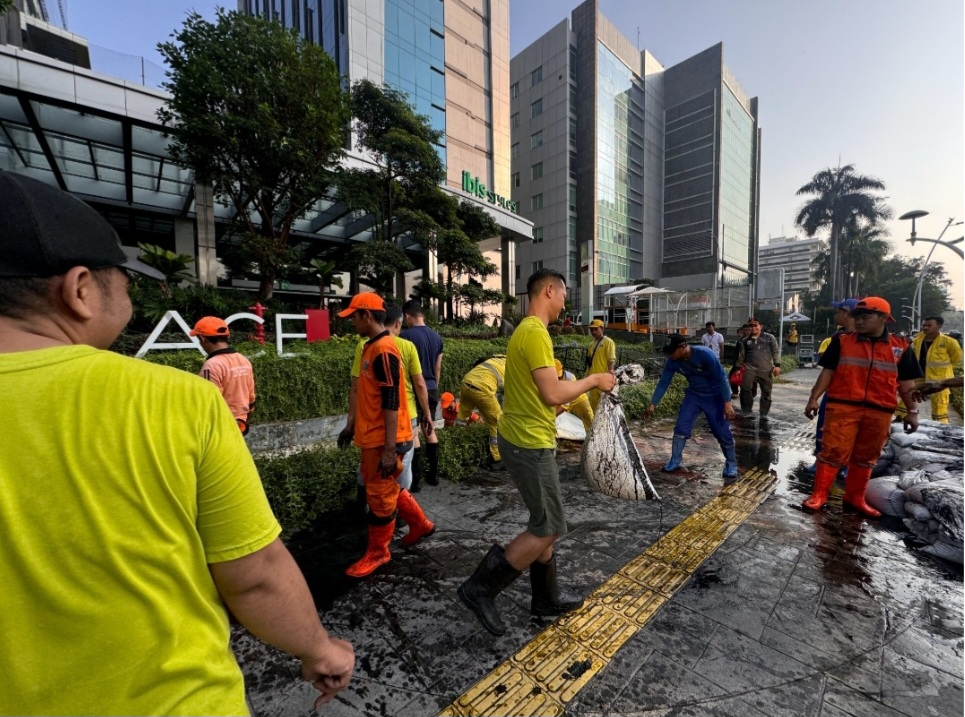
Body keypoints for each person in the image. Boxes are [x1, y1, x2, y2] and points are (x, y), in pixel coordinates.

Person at [0, 173, 353, 714]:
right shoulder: (181, 395)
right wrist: (317, 649)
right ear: (79, 290)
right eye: (125, 280)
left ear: (78, 288)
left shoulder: (202, 375)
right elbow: (253, 572)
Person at [458, 269, 616, 637]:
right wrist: (594, 380)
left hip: (526, 437)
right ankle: (479, 589)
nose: (565, 304)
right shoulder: (535, 332)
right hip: (529, 444)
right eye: (563, 296)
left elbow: (540, 395)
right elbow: (552, 393)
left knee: (546, 524)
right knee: (549, 527)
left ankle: (545, 600)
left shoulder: (524, 333)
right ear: (549, 290)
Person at [336, 293, 434, 578]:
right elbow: (367, 394)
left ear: (367, 315)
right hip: (375, 438)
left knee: (379, 496)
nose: (351, 321)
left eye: (354, 316)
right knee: (386, 487)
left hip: (386, 440)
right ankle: (421, 525)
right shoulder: (371, 347)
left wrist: (390, 449)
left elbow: (392, 400)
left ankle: (379, 552)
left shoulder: (384, 350)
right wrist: (351, 426)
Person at [802, 297, 923, 515]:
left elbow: (906, 384)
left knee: (867, 456)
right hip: (843, 407)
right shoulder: (842, 341)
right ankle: (819, 494)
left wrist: (912, 412)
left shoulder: (901, 347)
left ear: (883, 318)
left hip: (880, 411)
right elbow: (827, 372)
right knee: (832, 451)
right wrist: (814, 398)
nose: (858, 322)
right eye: (856, 317)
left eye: (865, 317)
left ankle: (855, 497)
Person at [348, 304, 434, 493]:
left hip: (372, 419)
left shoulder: (364, 346)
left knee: (370, 466)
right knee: (402, 465)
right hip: (405, 416)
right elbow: (420, 384)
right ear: (397, 324)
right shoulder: (406, 346)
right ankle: (398, 512)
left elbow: (356, 386)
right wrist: (426, 413)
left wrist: (351, 421)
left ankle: (369, 507)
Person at [645, 334, 737, 478]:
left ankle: (731, 463)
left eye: (671, 351)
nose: (669, 355)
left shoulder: (705, 354)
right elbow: (664, 382)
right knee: (682, 426)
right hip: (694, 395)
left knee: (722, 431)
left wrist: (727, 403)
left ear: (682, 347)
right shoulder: (673, 362)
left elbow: (721, 377)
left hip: (714, 397)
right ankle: (675, 460)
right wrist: (652, 404)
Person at [805, 298, 858, 474]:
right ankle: (820, 461)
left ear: (848, 313)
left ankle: (845, 465)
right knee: (824, 429)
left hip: (857, 398)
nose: (836, 314)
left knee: (850, 433)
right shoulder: (838, 339)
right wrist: (814, 398)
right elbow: (828, 371)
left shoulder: (868, 340)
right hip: (834, 393)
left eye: (839, 311)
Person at [401, 300, 444, 486]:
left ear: (407, 316)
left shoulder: (405, 337)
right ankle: (433, 476)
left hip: (414, 390)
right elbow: (438, 368)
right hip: (432, 388)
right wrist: (434, 387)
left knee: (415, 433)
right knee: (430, 428)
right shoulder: (437, 337)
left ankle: (416, 480)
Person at [190, 316, 256, 434]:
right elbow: (251, 398)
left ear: (203, 338)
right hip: (241, 424)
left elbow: (210, 401)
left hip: (221, 426)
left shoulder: (212, 365)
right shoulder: (243, 360)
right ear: (228, 336)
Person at [895, 315, 963, 424]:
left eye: (929, 325)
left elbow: (956, 359)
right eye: (924, 325)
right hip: (919, 376)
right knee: (908, 395)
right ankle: (899, 417)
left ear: (939, 326)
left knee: (940, 405)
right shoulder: (917, 340)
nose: (925, 328)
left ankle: (941, 425)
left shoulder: (949, 342)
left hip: (940, 379)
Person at [457, 355, 507, 468]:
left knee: (462, 416)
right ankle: (497, 459)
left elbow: (480, 361)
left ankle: (457, 442)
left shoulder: (499, 357)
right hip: (482, 388)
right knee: (497, 422)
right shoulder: (515, 366)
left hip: (466, 382)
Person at [734, 317, 781, 417]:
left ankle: (764, 414)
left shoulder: (769, 338)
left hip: (765, 369)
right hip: (749, 368)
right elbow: (742, 355)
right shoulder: (745, 340)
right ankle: (746, 411)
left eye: (755, 325)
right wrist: (738, 368)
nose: (753, 327)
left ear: (760, 326)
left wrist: (777, 365)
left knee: (766, 392)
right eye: (751, 326)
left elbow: (775, 351)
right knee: (745, 389)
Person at [554, 358, 595, 431]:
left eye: (559, 376)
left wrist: (550, 418)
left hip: (579, 400)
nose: (558, 378)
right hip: (563, 399)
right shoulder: (549, 379)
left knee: (590, 421)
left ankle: (592, 438)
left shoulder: (570, 379)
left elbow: (564, 406)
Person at [585, 318, 617, 411]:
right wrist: (586, 377)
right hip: (593, 380)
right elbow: (590, 363)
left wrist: (609, 378)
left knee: (604, 408)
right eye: (591, 330)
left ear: (602, 329)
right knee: (593, 406)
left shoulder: (608, 342)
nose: (593, 332)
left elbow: (611, 359)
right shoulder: (591, 344)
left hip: (603, 380)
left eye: (596, 329)